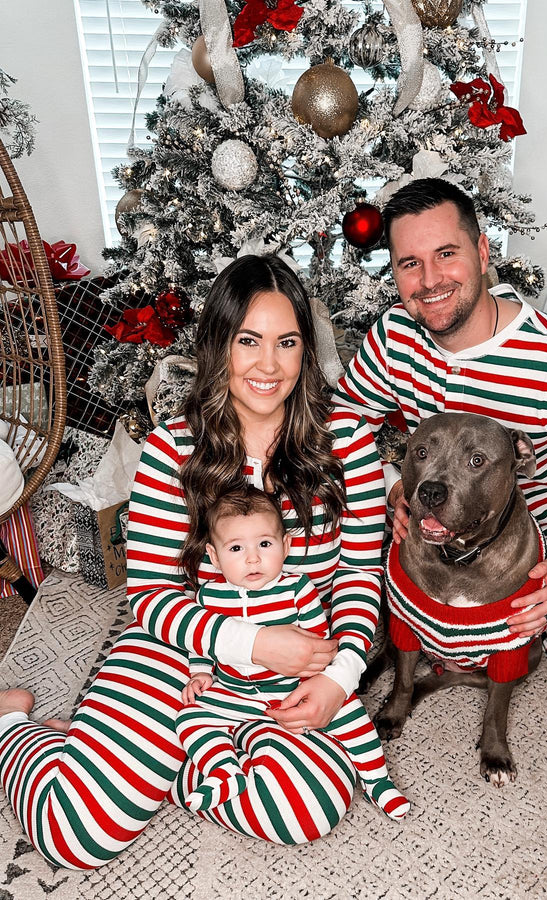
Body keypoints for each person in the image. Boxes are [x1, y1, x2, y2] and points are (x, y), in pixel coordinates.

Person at [0, 254, 388, 868]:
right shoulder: (172, 449)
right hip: (182, 642)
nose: (268, 365)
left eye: (286, 342)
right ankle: (14, 725)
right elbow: (151, 595)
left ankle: (170, 758)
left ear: (305, 351)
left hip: (302, 641)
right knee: (79, 832)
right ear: (219, 347)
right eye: (249, 341)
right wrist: (250, 645)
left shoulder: (348, 441)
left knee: (306, 808)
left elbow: (361, 575)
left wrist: (339, 676)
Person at [333, 177, 547, 721]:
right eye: (410, 263)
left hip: (539, 543)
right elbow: (345, 415)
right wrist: (392, 489)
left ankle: (532, 632)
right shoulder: (393, 336)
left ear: (482, 253)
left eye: (447, 254)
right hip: (430, 513)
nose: (430, 281)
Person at [176, 486, 408, 819]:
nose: (252, 558)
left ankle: (378, 781)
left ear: (285, 546)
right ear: (214, 556)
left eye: (265, 544)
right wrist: (199, 672)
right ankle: (224, 770)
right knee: (189, 719)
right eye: (236, 548)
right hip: (235, 690)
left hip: (292, 688)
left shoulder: (297, 589)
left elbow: (320, 644)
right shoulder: (210, 596)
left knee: (352, 716)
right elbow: (201, 642)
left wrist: (324, 681)